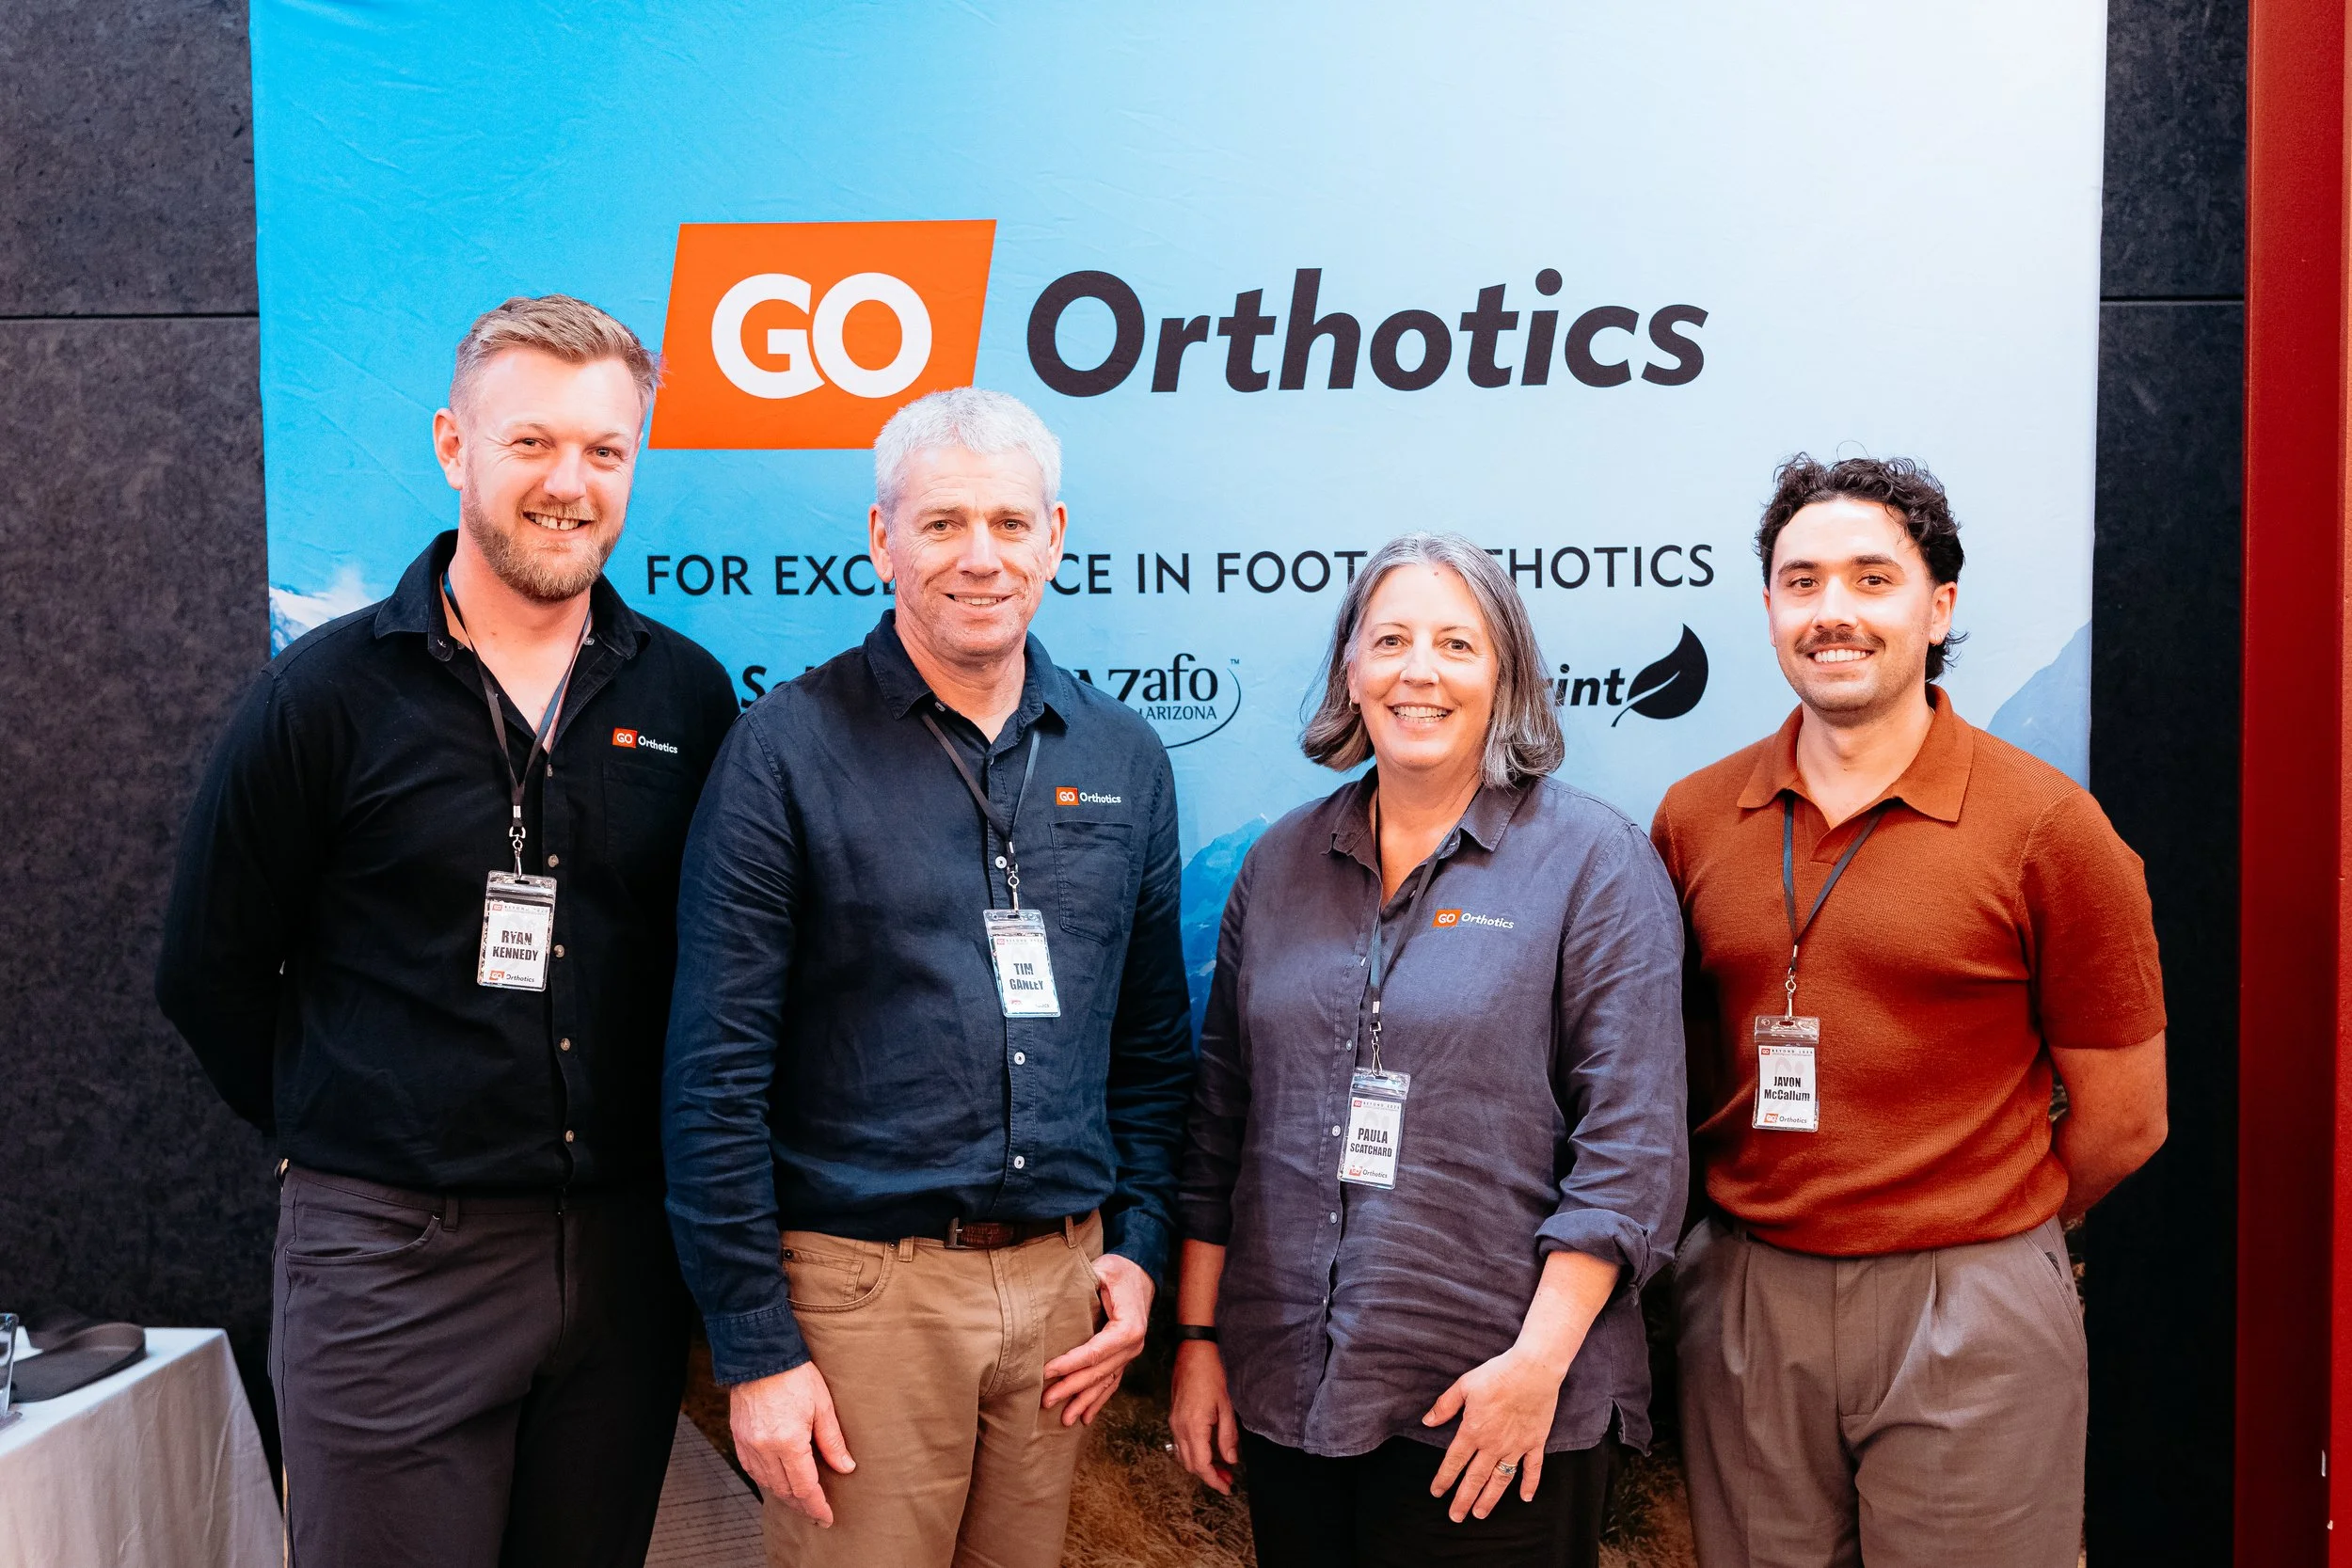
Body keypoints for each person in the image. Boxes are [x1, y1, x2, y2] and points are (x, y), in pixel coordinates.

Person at [155, 294, 740, 1566]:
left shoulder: (686, 693)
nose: (568, 483)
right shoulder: (325, 694)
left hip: (624, 1267)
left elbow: (714, 975)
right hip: (394, 1268)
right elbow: (207, 967)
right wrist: (347, 1135)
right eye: (530, 442)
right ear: (451, 445)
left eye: (604, 450)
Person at [660, 387, 1194, 1568]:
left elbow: (1153, 1042)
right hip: (863, 1304)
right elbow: (712, 1078)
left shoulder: (1123, 755)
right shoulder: (786, 750)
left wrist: (1140, 1247)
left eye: (1009, 522)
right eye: (942, 522)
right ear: (880, 538)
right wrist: (754, 1351)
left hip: (1062, 1298)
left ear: (1055, 534)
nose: (980, 556)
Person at [1653, 455, 2169, 1568]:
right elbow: (1680, 1074)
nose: (1831, 610)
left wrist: (1987, 1221)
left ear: (1937, 607)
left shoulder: (2048, 827)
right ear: (1768, 608)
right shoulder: (1694, 817)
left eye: (1870, 578)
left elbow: (2127, 1114)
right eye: (1801, 581)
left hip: (1969, 1297)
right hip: (1747, 1294)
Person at [1169, 532, 1688, 1568]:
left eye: (1457, 642)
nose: (1420, 671)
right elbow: (1220, 1123)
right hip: (1288, 1390)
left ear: (1505, 675)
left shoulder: (1593, 861)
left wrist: (1535, 1368)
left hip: (1493, 1403)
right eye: (1391, 639)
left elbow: (1631, 1154)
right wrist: (1196, 1343)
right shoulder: (1278, 862)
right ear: (1349, 670)